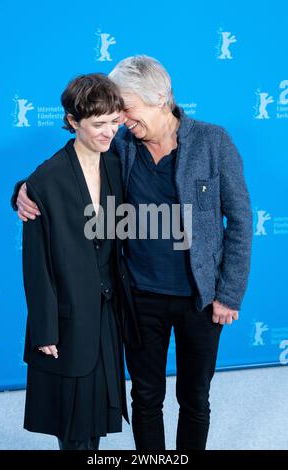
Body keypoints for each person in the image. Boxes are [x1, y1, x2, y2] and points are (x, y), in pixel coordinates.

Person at [13, 56, 252, 450]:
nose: (119, 119)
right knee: (145, 399)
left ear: (160, 99)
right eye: (114, 113)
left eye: (125, 108)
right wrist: (23, 190)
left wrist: (229, 293)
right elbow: (73, 165)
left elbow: (241, 222)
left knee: (195, 399)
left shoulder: (213, 142)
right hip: (139, 299)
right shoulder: (122, 144)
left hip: (201, 300)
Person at [14, 73, 140, 451]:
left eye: (115, 123)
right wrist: (45, 329)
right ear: (72, 122)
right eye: (98, 125)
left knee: (99, 412)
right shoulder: (45, 181)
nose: (109, 133)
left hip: (108, 311)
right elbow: (37, 267)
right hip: (67, 318)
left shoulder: (117, 165)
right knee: (71, 422)